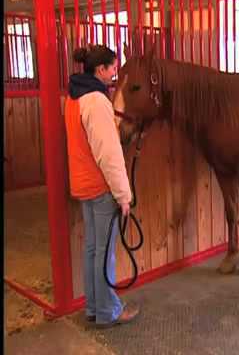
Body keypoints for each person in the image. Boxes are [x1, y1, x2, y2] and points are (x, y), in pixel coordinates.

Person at [64, 44, 140, 326]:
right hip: (100, 187)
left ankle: (94, 308)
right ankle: (108, 312)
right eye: (112, 69)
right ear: (100, 70)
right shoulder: (96, 101)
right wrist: (123, 195)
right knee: (104, 253)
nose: (114, 74)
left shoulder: (74, 97)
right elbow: (108, 154)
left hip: (83, 184)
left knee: (93, 249)